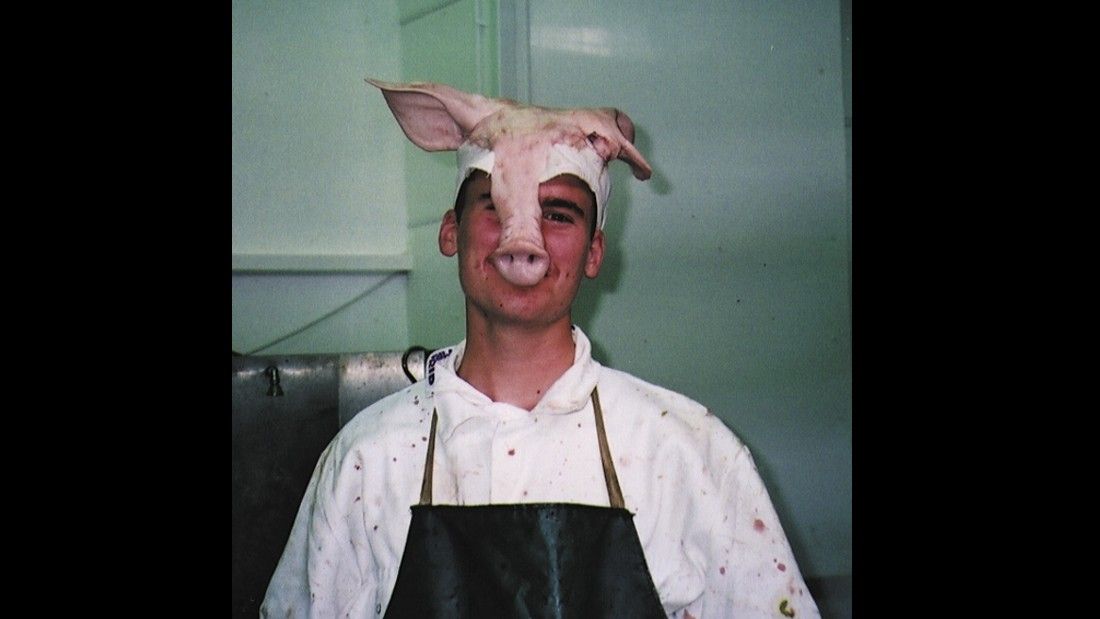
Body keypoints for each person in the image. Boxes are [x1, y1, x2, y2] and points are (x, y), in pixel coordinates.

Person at [260, 79, 820, 618]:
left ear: (595, 252)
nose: (520, 242)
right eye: (493, 207)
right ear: (451, 231)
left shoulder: (689, 454)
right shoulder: (367, 461)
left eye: (557, 215)